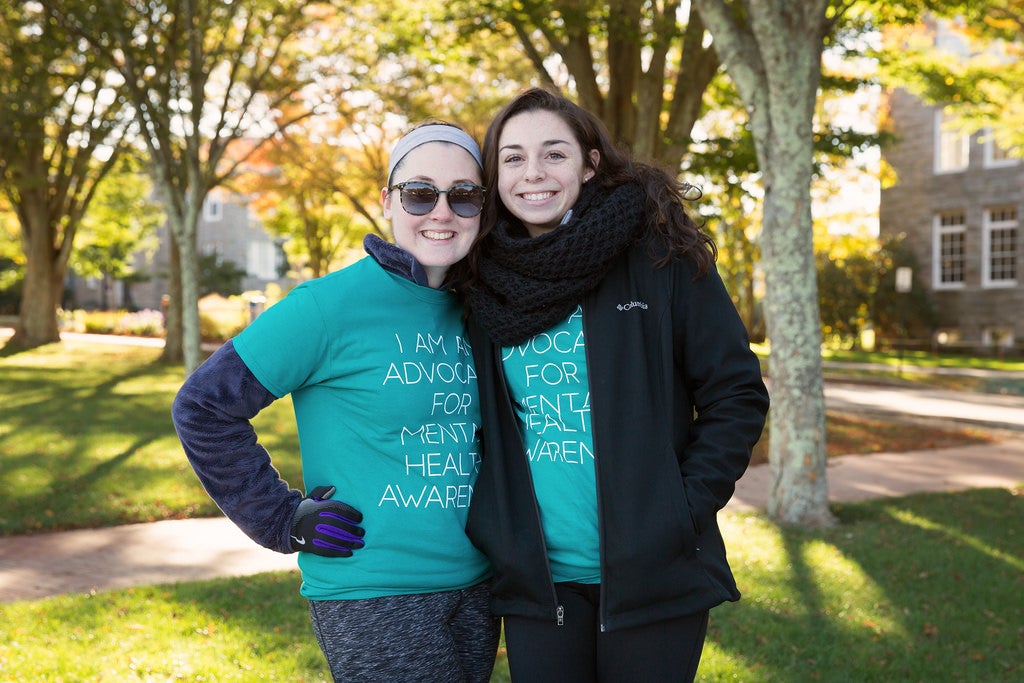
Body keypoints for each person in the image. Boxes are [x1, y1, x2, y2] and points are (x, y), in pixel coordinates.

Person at [171, 122, 499, 682]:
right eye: (420, 193)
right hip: (375, 591)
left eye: (463, 195)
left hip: (479, 583)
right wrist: (279, 517)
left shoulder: (482, 305)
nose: (441, 212)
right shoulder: (326, 306)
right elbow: (203, 406)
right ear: (387, 201)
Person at [463, 88, 770, 682]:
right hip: (538, 583)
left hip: (654, 571)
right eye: (513, 157)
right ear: (494, 173)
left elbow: (736, 393)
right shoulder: (481, 281)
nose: (533, 173)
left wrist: (678, 509)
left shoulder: (660, 257)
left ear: (589, 162)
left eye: (554, 154)